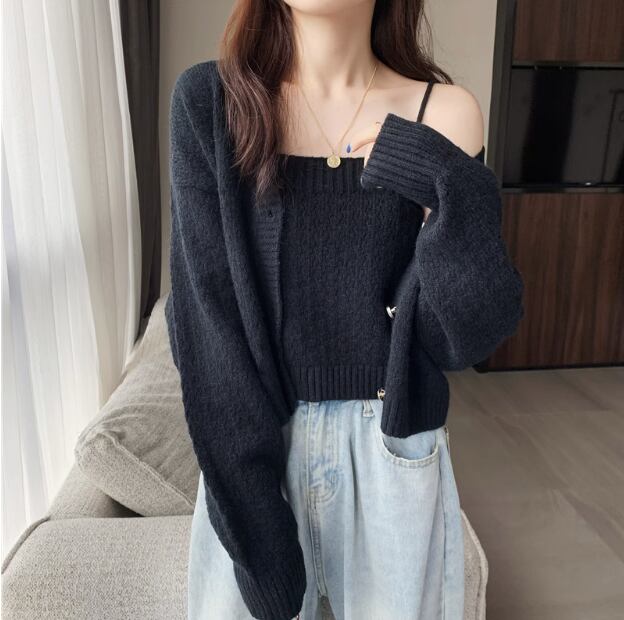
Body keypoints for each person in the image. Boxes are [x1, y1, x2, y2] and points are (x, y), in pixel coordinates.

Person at [165, 1, 525, 619]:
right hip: (257, 440)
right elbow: (207, 326)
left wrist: (447, 186)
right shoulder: (210, 103)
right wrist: (254, 519)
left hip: (394, 450)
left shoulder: (444, 113)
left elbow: (466, 336)